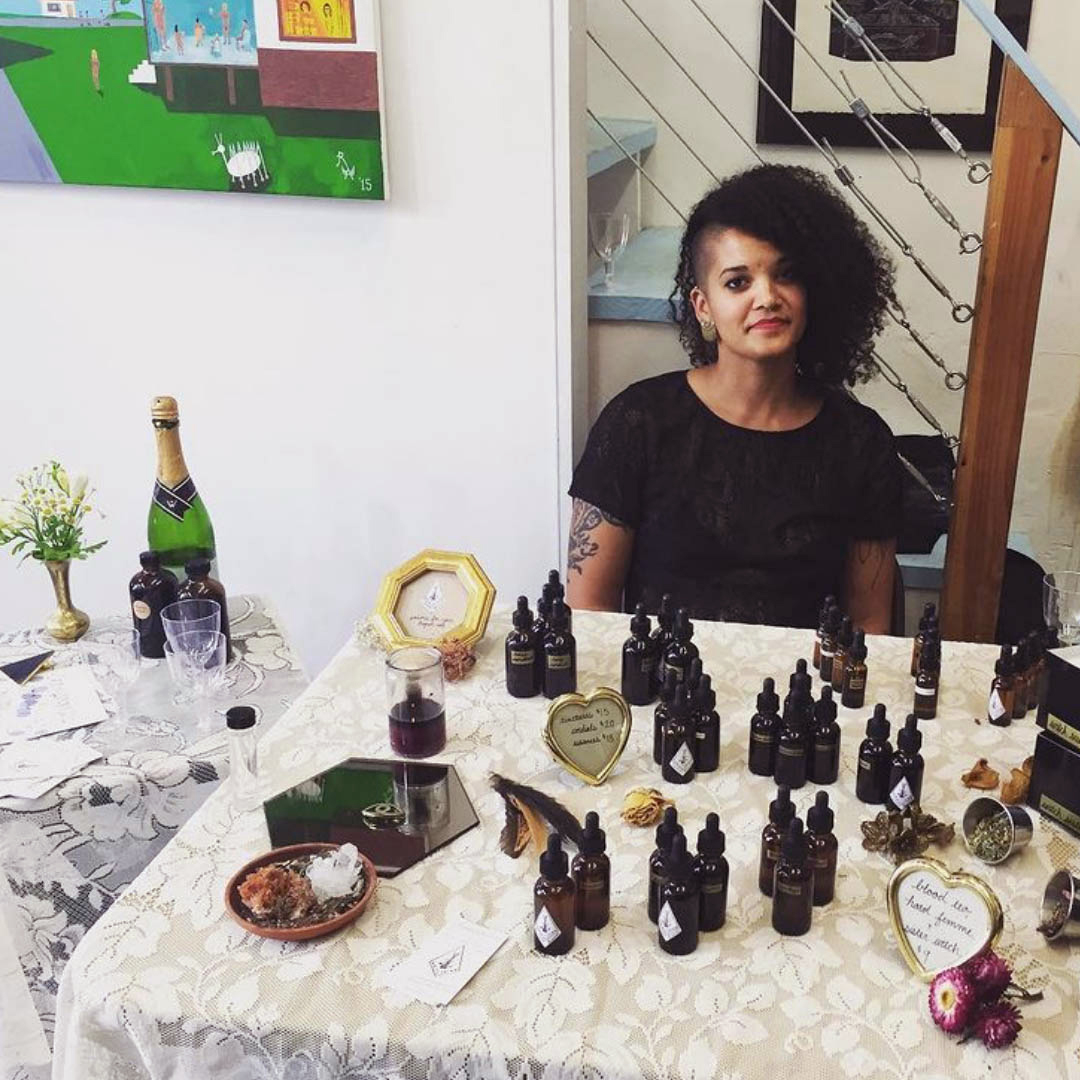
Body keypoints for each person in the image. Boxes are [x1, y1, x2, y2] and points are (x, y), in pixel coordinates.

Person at [567, 164, 902, 634]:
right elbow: (589, 611)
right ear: (703, 306)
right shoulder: (637, 423)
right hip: (660, 694)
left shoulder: (860, 443)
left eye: (786, 275)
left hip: (802, 699)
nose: (767, 297)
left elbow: (869, 627)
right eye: (737, 282)